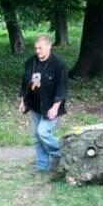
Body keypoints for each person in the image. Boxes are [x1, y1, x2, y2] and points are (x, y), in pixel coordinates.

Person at [19, 35, 68, 172]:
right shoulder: (31, 62)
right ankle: (42, 165)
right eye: (36, 48)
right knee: (36, 136)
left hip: (50, 106)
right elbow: (25, 83)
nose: (38, 51)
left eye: (40, 48)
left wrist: (55, 108)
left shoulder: (59, 65)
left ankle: (61, 155)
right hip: (34, 105)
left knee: (43, 132)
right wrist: (23, 101)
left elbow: (62, 88)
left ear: (49, 46)